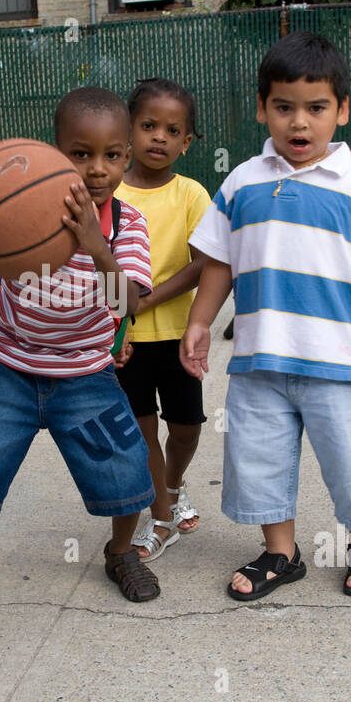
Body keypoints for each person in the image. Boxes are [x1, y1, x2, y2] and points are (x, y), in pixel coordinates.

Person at [181, 31, 351, 599]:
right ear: (262, 108)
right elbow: (219, 265)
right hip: (259, 363)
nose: (298, 123)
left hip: (338, 363)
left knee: (350, 460)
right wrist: (200, 321)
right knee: (258, 461)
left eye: (316, 108)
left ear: (342, 111)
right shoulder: (241, 183)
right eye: (284, 107)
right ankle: (280, 554)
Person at [0, 87, 157, 629]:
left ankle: (121, 553)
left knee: (127, 473)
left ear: (126, 156)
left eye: (113, 155)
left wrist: (97, 246)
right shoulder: (20, 205)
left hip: (86, 374)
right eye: (80, 153)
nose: (98, 169)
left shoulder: (127, 225)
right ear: (55, 152)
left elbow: (129, 301)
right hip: (7, 367)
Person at [114, 78, 211, 561]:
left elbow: (202, 264)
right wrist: (118, 318)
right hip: (124, 339)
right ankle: (158, 517)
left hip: (176, 335)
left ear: (186, 142)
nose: (159, 137)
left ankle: (172, 486)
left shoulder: (191, 194)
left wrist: (146, 300)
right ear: (128, 130)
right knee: (142, 430)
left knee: (187, 427)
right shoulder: (107, 191)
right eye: (148, 125)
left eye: (172, 130)